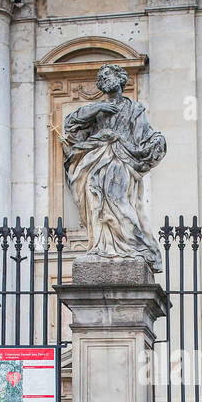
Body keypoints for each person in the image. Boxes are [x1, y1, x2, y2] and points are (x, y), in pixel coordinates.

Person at [61, 63, 168, 271]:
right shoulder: (95, 110)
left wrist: (158, 141)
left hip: (121, 161)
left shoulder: (134, 109)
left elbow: (146, 135)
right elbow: (70, 126)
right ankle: (102, 247)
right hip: (95, 161)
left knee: (118, 201)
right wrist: (96, 108)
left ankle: (133, 246)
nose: (103, 79)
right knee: (96, 204)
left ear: (120, 79)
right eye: (101, 76)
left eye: (108, 75)